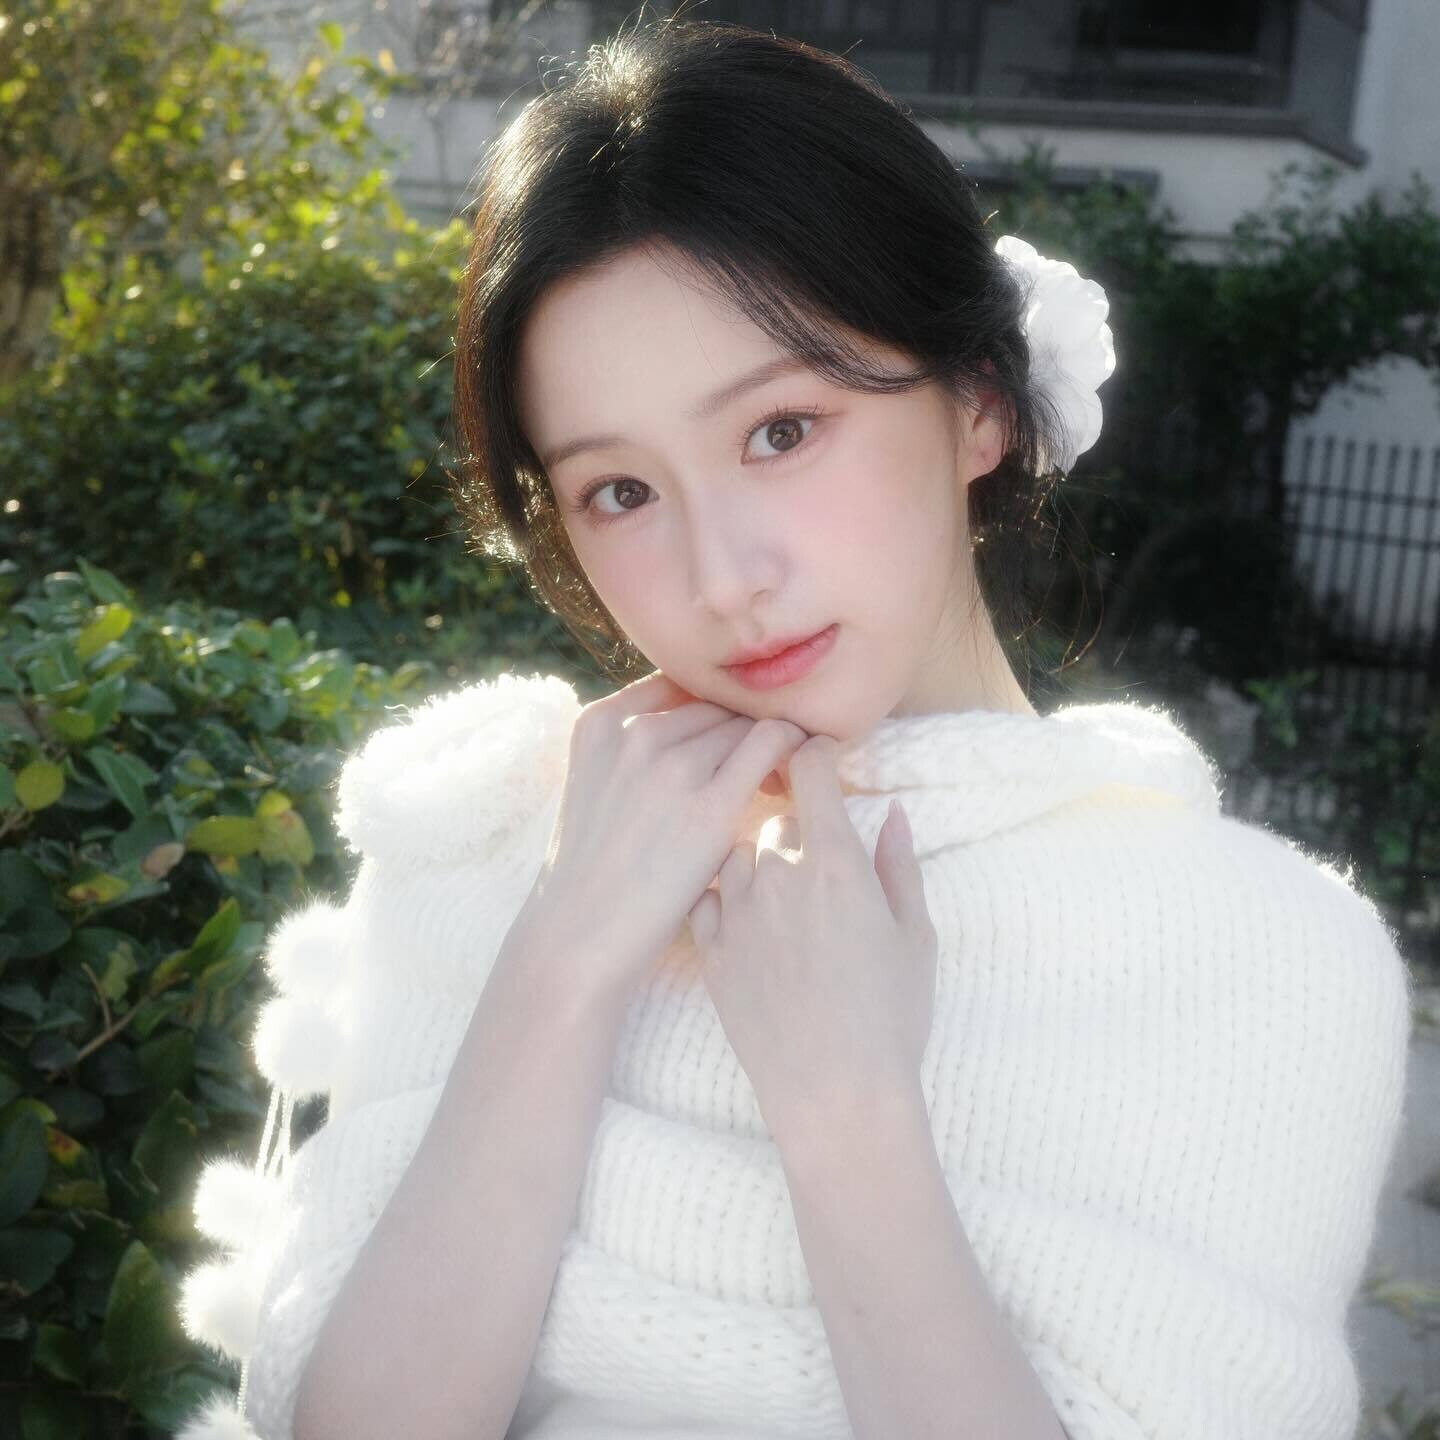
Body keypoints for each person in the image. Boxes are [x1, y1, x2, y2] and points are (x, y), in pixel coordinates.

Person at [173, 15, 1413, 1440]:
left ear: (980, 403)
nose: (722, 577)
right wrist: (564, 964)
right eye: (621, 492)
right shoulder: (494, 848)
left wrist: (846, 1115)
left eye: (780, 431)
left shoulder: (1263, 957)